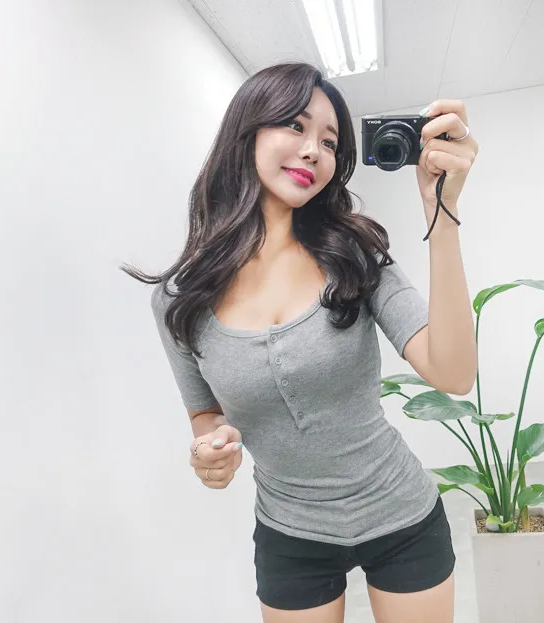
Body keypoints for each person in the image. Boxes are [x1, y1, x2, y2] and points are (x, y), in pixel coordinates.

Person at [122, 62, 478, 623]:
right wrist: (209, 451)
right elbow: (204, 415)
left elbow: (453, 374)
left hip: (401, 513)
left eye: (329, 142)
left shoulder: (355, 257)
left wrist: (443, 213)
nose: (313, 150)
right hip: (290, 534)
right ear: (246, 132)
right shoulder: (178, 300)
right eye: (295, 125)